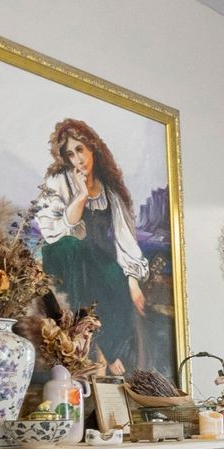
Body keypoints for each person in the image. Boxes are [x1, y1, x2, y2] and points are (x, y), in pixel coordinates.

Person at [31, 118, 149, 376]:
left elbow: (124, 238)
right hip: (65, 255)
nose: (77, 159)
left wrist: (132, 280)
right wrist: (82, 195)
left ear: (92, 147)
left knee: (116, 276)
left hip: (94, 260)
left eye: (80, 150)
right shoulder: (60, 181)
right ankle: (102, 348)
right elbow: (58, 230)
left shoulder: (110, 194)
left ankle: (107, 351)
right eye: (70, 154)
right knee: (76, 248)